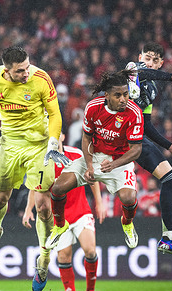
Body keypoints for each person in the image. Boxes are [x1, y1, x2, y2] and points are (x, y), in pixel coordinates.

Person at [0, 46, 70, 291]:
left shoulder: (41, 78)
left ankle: (44, 260)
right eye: (20, 71)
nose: (26, 73)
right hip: (10, 145)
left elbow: (55, 114)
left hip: (39, 146)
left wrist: (54, 141)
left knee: (44, 207)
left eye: (27, 67)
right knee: (0, 199)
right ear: (7, 70)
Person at [46, 69, 144, 257]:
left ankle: (127, 222)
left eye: (126, 94)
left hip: (119, 161)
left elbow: (136, 150)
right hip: (94, 156)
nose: (123, 99)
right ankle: (59, 226)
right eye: (118, 95)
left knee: (129, 198)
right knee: (57, 188)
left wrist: (113, 165)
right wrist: (90, 166)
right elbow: (86, 138)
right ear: (107, 96)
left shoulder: (134, 113)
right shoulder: (93, 107)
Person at [125, 42, 172, 258]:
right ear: (140, 56)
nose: (150, 62)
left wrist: (169, 146)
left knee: (171, 178)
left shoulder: (153, 87)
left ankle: (168, 238)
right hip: (111, 132)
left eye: (155, 60)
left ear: (161, 63)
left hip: (134, 138)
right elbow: (140, 71)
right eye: (147, 57)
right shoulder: (133, 70)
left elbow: (145, 125)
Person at [23, 132, 104, 291]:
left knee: (90, 250)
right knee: (64, 257)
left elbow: (92, 177)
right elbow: (35, 187)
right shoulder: (43, 160)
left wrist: (99, 202)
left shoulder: (76, 154)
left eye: (56, 134)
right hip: (59, 217)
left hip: (81, 210)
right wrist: (28, 209)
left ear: (62, 137)